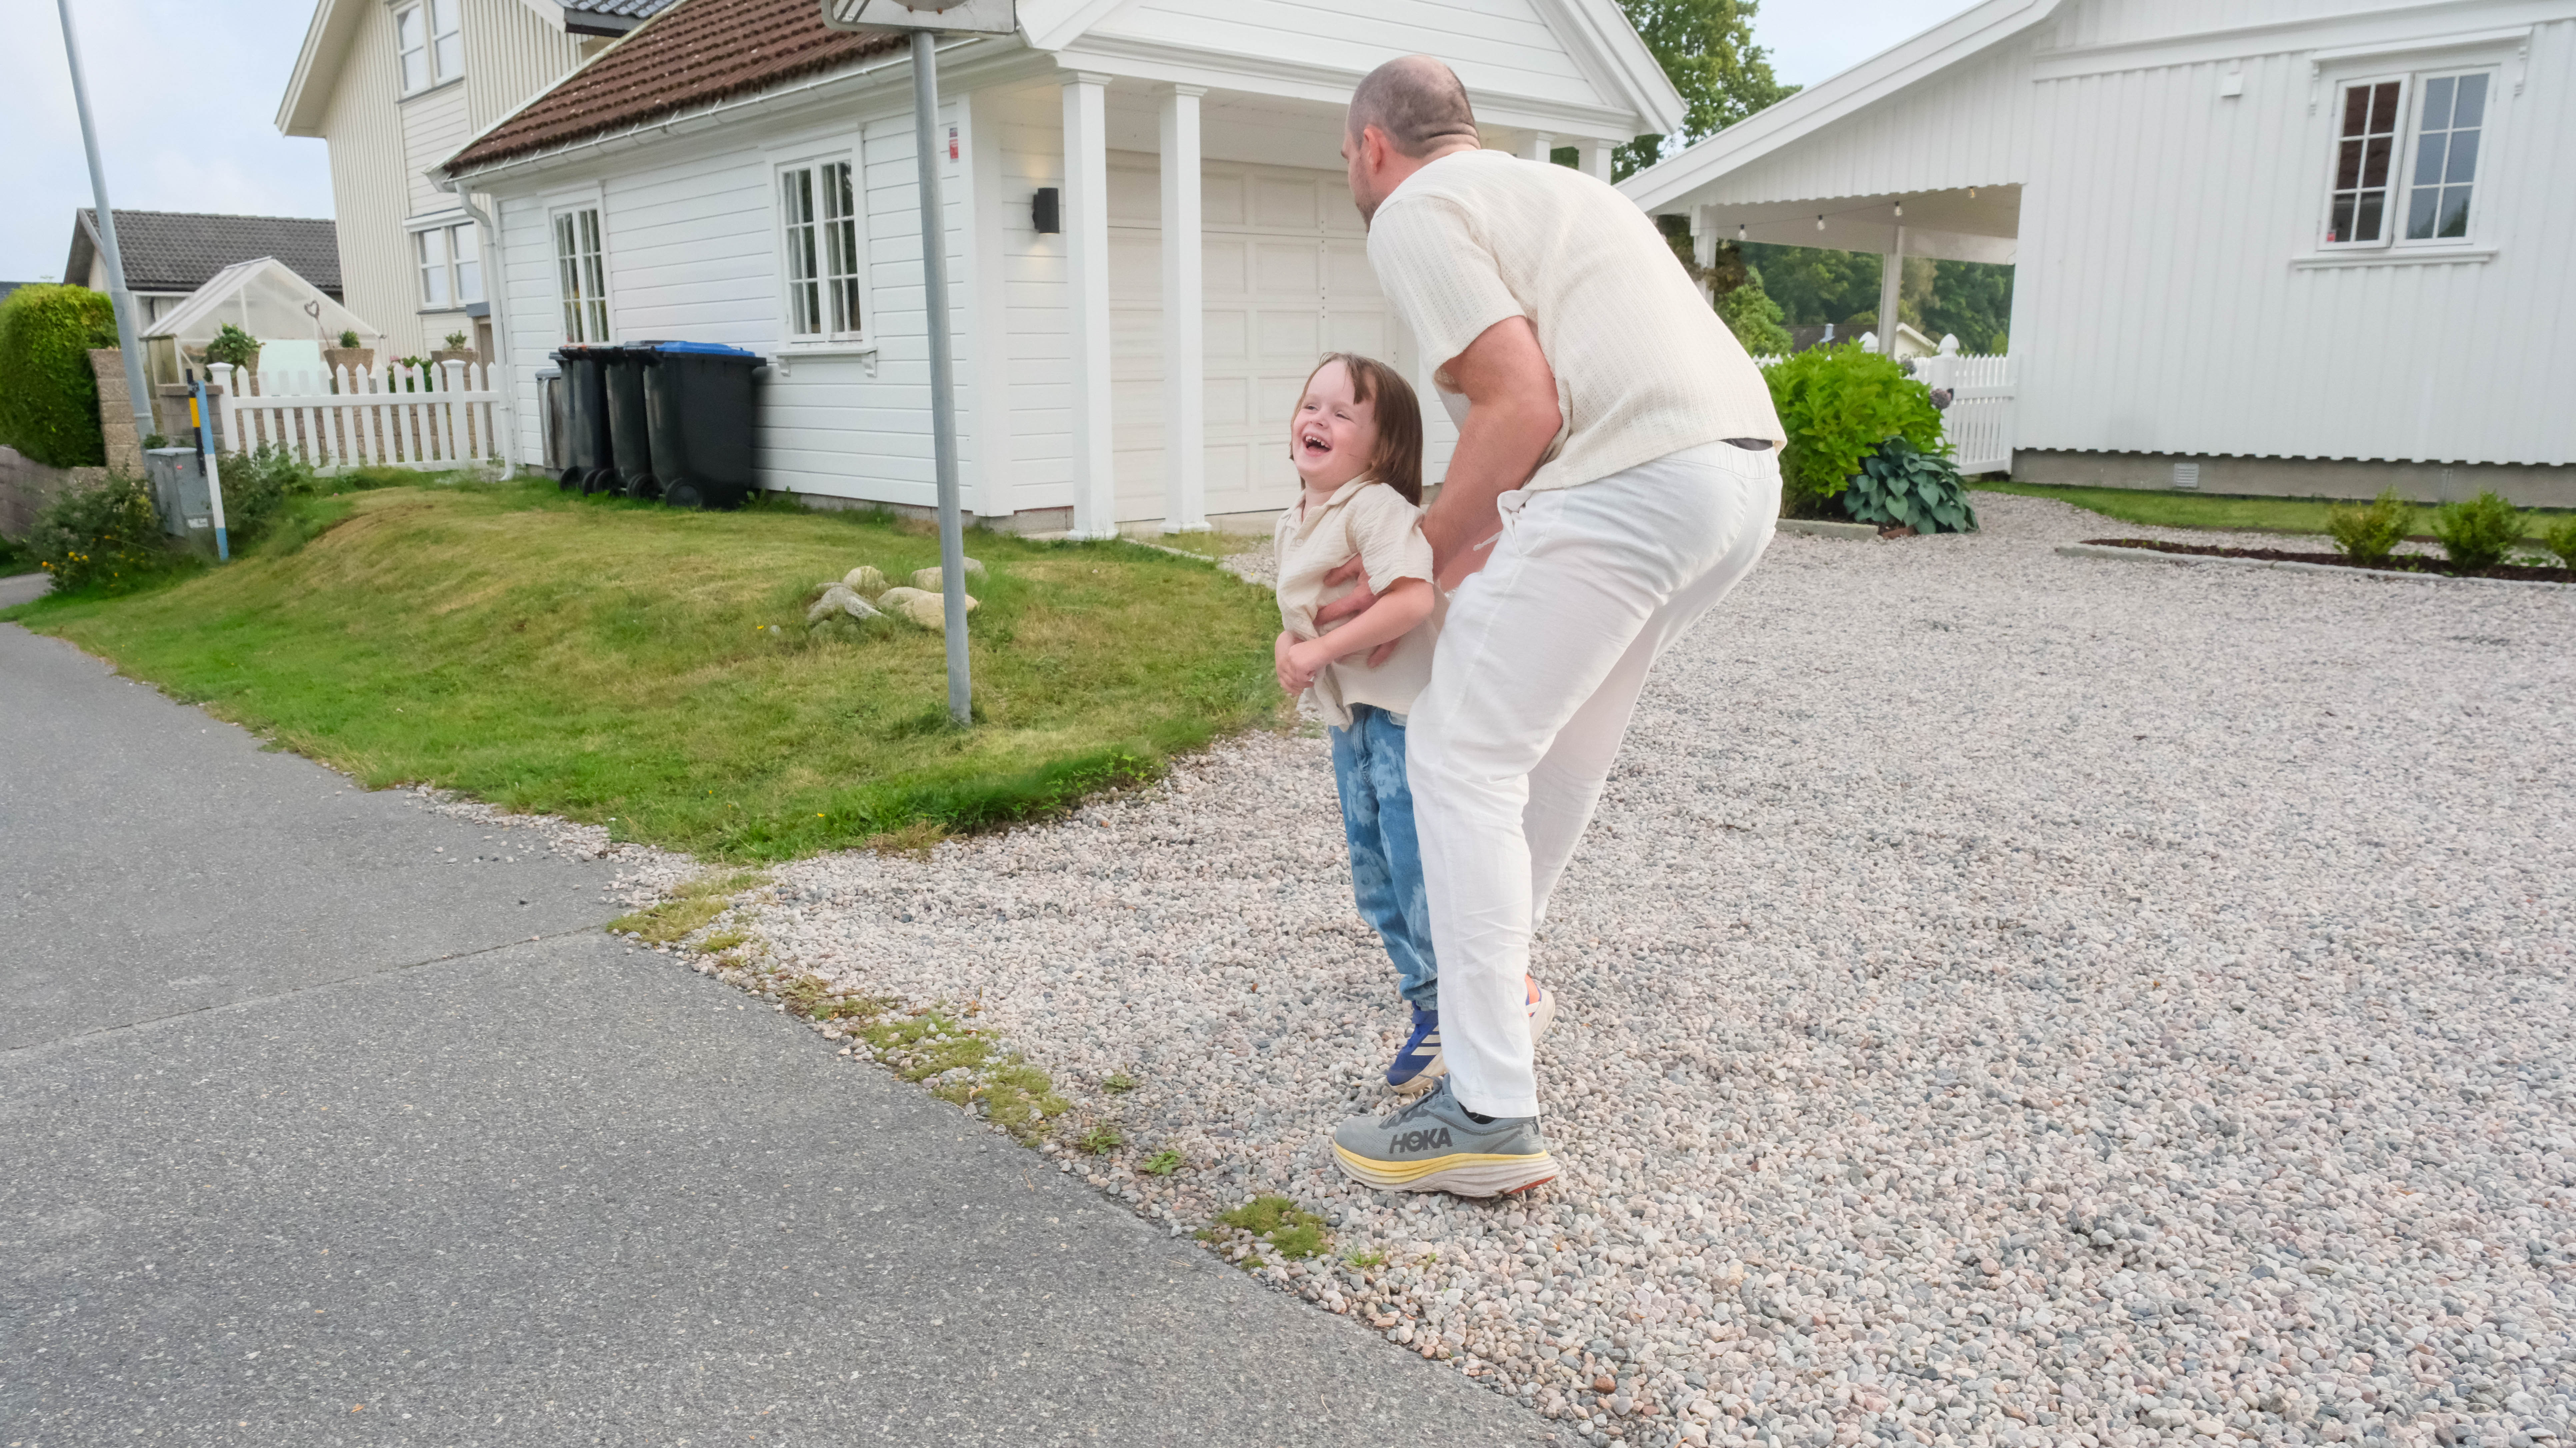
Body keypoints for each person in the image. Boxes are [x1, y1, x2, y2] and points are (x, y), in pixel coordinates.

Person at [1325, 55, 1786, 1199]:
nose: (1351, 174)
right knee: (1555, 748)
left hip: (1629, 481)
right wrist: (1451, 565)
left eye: (1345, 157)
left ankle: (1486, 1110)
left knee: (1458, 751)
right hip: (1733, 480)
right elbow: (1539, 445)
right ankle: (1502, 996)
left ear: (1372, 147)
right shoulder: (1559, 193)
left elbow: (1519, 402)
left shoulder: (1416, 210)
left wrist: (1409, 568)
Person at [1270, 353, 1559, 1094]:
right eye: (1312, 405)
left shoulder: (1375, 509)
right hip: (1353, 723)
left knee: (1418, 865)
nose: (1318, 421)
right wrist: (1290, 646)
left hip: (1405, 719)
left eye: (1343, 414)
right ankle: (1433, 1002)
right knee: (1374, 878)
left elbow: (1411, 602)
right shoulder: (1296, 519)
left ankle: (1487, 997)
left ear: (1385, 446)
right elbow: (1300, 613)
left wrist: (1326, 649)